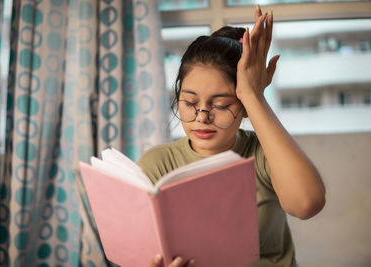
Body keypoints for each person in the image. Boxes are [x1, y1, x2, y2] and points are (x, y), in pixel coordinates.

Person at [138, 5, 326, 267]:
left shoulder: (263, 152)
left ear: (243, 105)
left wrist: (254, 95)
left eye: (222, 105)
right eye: (190, 102)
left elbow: (307, 204)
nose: (202, 117)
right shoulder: (156, 164)